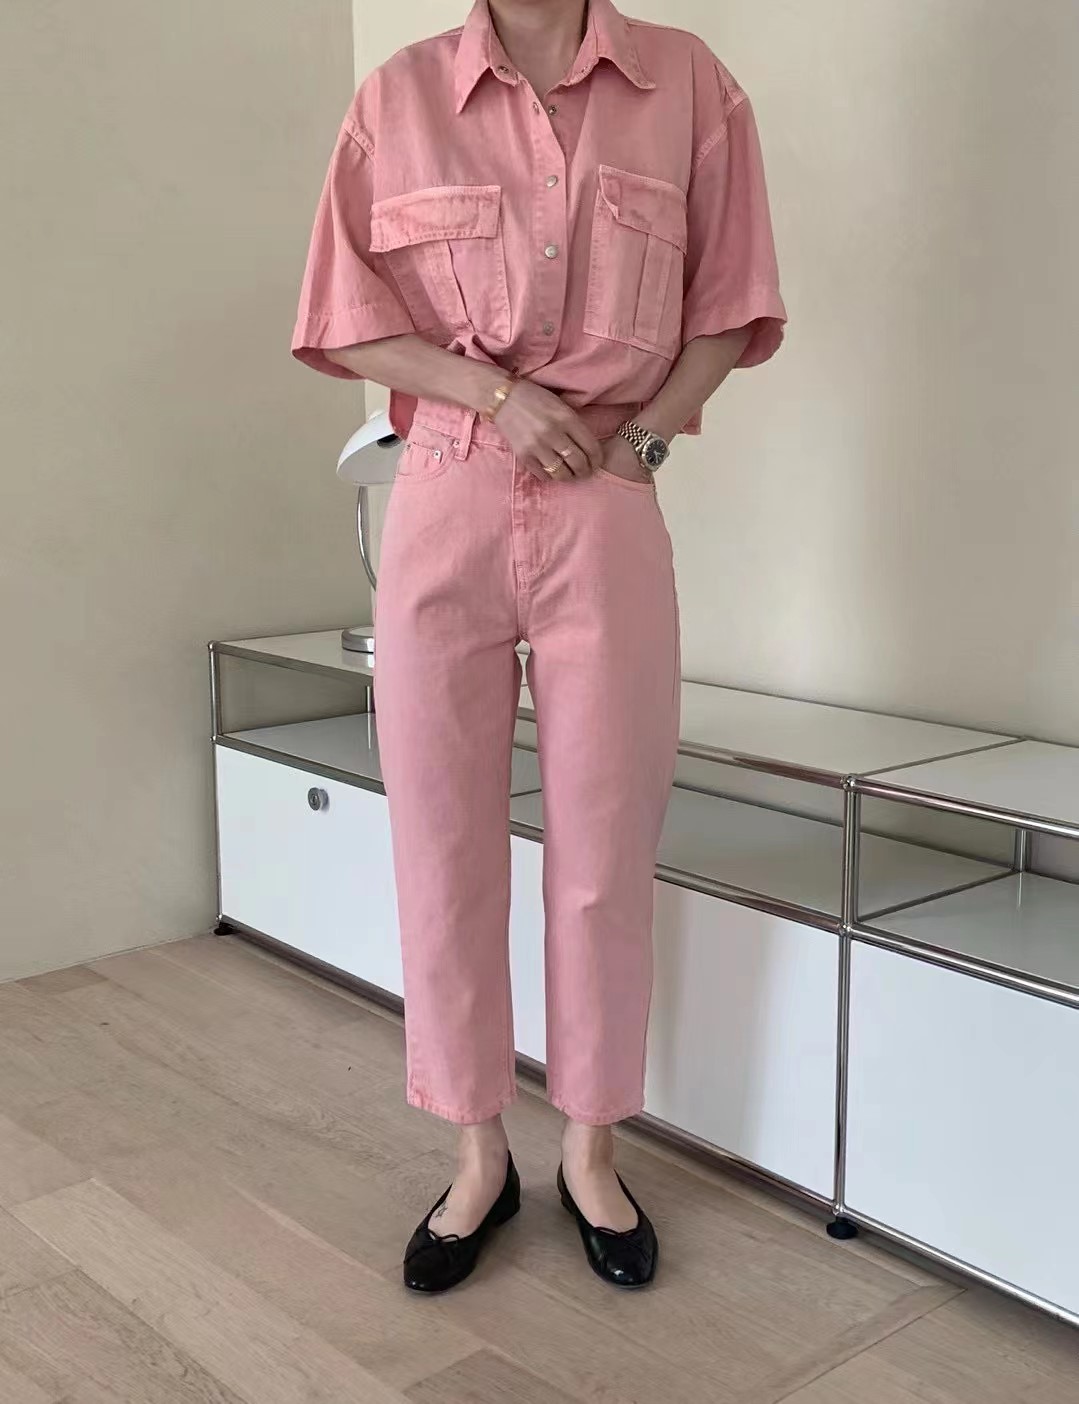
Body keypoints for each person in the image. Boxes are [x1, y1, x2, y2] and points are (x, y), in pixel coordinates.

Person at [292, 0, 785, 1293]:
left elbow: (730, 302)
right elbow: (343, 315)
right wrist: (495, 396)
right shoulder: (399, 99)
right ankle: (476, 1156)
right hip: (448, 485)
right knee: (441, 838)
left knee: (605, 842)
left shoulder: (688, 85)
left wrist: (646, 441)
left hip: (606, 493)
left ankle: (591, 1150)